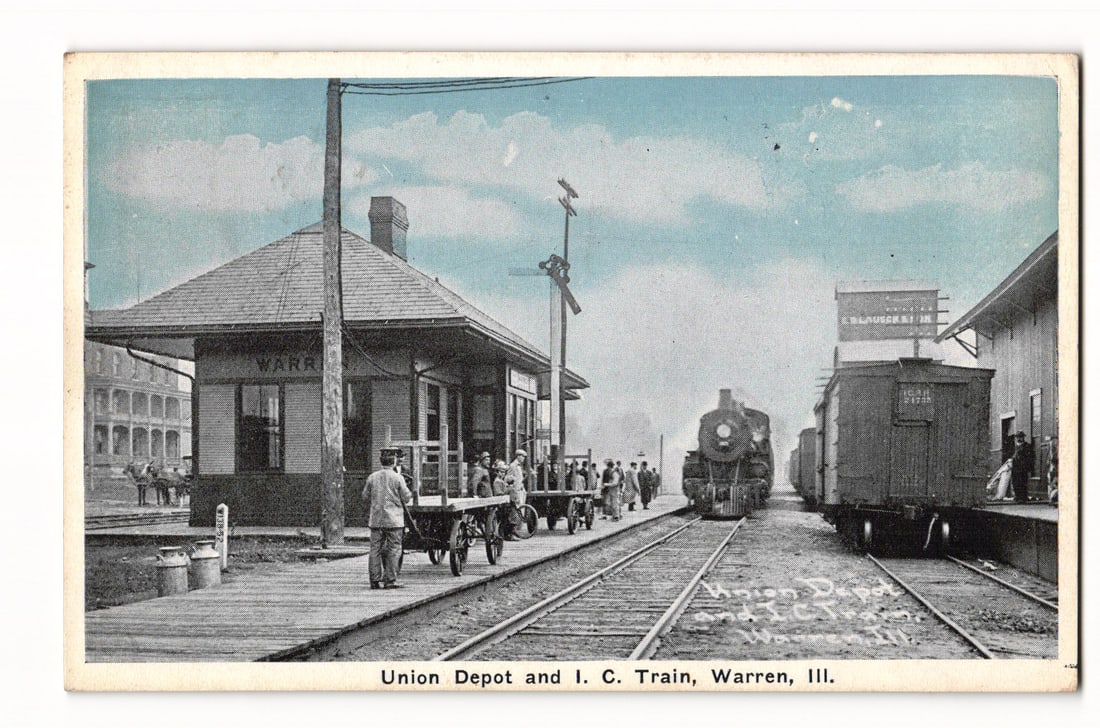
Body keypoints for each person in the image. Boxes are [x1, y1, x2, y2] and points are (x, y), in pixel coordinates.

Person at [362, 449, 412, 590]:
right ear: (394, 461)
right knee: (394, 549)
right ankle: (390, 580)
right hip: (394, 520)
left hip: (376, 519)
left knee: (374, 550)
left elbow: (365, 496)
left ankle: (374, 580)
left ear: (381, 461)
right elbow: (406, 497)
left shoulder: (372, 477)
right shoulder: (398, 478)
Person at [505, 449, 529, 539]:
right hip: (515, 492)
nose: (523, 458)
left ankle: (516, 531)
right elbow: (508, 479)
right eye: (522, 456)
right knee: (515, 512)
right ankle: (512, 532)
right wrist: (513, 490)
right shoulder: (513, 466)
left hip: (520, 491)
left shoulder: (519, 466)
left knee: (519, 511)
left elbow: (519, 479)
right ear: (518, 456)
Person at [1011, 432, 1034, 504]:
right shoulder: (1015, 446)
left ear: (1023, 437)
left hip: (1023, 468)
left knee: (1023, 483)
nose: (1019, 438)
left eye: (1020, 437)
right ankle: (1017, 497)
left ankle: (1023, 498)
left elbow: (1031, 457)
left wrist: (1028, 467)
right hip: (1015, 468)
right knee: (1015, 482)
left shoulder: (1027, 446)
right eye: (1017, 437)